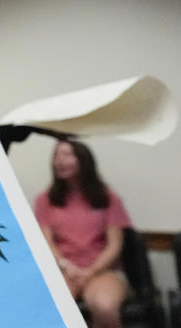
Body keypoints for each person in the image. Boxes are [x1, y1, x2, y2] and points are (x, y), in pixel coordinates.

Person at [34, 140, 131, 328]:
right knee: (51, 307)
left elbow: (114, 245)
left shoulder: (108, 197)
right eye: (57, 155)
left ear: (83, 160)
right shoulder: (44, 200)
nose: (60, 161)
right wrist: (66, 266)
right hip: (61, 271)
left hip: (102, 271)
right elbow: (46, 241)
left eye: (67, 155)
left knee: (104, 306)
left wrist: (91, 271)